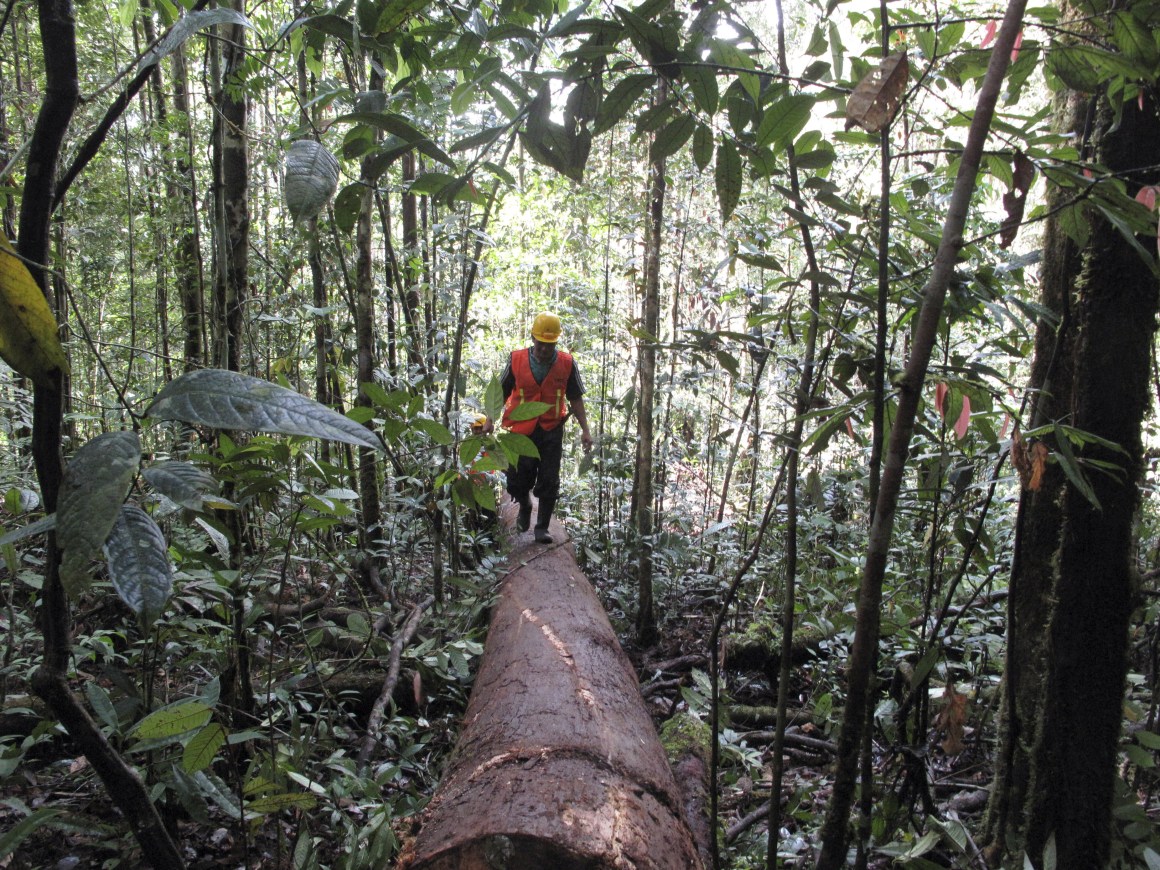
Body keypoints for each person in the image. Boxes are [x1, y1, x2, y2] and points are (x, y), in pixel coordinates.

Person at [487, 312, 593, 543]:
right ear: (533, 339)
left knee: (549, 479)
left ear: (556, 342)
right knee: (516, 479)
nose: (544, 349)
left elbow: (575, 398)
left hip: (551, 429)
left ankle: (542, 527)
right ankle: (524, 505)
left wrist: (586, 430)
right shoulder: (516, 359)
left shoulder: (566, 363)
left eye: (550, 345)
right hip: (521, 430)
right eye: (541, 344)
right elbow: (501, 391)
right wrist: (489, 419)